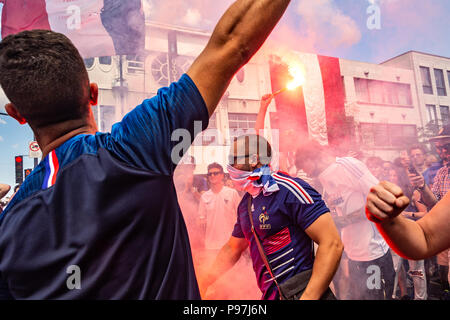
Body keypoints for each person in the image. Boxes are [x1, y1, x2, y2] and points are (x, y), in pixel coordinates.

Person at [0, 0, 293, 299]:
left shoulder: (9, 228)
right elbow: (234, 44)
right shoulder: (134, 148)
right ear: (92, 93)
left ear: (16, 114)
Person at [199, 134, 343, 300]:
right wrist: (204, 281)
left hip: (303, 292)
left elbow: (332, 243)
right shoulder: (246, 203)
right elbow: (233, 248)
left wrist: (309, 297)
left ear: (254, 160)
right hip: (272, 295)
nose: (229, 166)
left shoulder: (289, 189)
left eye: (234, 159)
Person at [295, 140, 395, 300]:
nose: (306, 173)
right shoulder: (322, 179)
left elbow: (382, 199)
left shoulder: (346, 166)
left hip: (372, 253)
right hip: (352, 254)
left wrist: (341, 221)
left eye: (305, 166)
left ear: (312, 157)